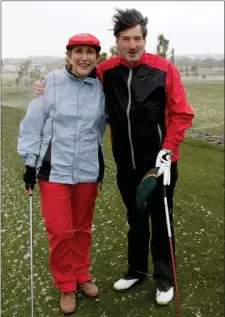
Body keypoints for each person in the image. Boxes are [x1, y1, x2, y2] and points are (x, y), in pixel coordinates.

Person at [34, 8, 194, 306]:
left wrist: (168, 149)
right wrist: (46, 83)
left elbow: (182, 113)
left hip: (160, 163)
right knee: (135, 219)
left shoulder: (164, 70)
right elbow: (75, 75)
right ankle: (136, 270)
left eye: (137, 38)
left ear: (144, 40)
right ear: (117, 42)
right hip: (126, 162)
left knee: (161, 220)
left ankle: (164, 278)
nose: (132, 45)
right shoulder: (106, 70)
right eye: (125, 39)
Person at [18, 33, 106, 315]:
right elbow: (33, 124)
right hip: (54, 170)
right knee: (59, 230)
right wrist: (30, 163)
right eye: (78, 51)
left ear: (97, 57)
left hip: (88, 169)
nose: (84, 57)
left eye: (90, 52)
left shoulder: (101, 86)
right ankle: (66, 284)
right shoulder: (51, 82)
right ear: (68, 56)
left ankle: (81, 274)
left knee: (82, 228)